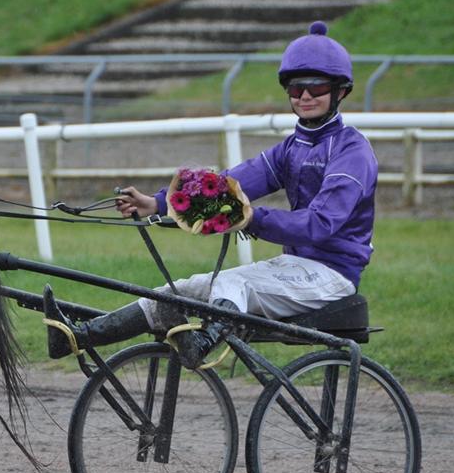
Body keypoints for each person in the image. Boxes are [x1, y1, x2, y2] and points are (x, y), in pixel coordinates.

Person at [45, 20, 377, 369]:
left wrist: (251, 218)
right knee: (177, 291)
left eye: (316, 86)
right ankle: (75, 336)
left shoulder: (351, 151)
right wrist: (157, 203)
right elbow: (227, 185)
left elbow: (320, 223)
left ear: (341, 90)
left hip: (332, 276)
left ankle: (201, 345)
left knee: (234, 284)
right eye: (296, 89)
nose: (305, 96)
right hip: (293, 268)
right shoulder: (292, 148)